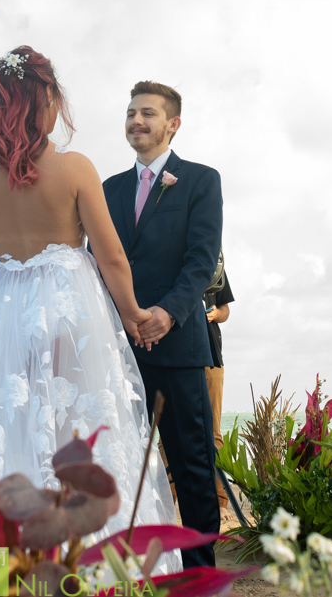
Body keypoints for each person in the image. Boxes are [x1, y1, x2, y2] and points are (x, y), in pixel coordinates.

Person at [0, 47, 180, 572]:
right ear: (47, 99)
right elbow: (112, 255)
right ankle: (98, 573)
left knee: (6, 439)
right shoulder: (75, 168)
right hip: (70, 313)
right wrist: (131, 315)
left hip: (4, 318)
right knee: (83, 434)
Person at [102, 82, 223, 568]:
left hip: (177, 346)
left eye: (148, 113)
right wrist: (125, 316)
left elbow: (201, 259)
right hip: (119, 348)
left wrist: (166, 314)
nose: (136, 121)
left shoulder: (200, 180)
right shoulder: (107, 188)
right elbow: (99, 259)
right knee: (125, 462)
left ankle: (198, 569)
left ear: (173, 124)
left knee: (193, 463)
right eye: (131, 112)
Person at [203, 259, 235, 513]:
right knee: (170, 434)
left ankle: (220, 502)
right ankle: (168, 503)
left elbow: (225, 310)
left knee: (214, 433)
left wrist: (215, 314)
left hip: (211, 356)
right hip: (176, 356)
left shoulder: (215, 264)